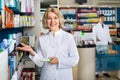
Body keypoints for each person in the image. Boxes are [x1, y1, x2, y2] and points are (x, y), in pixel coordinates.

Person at [16, 7, 79, 80]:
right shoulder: (42, 39)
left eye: (55, 18)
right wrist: (32, 52)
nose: (52, 21)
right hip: (47, 76)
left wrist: (59, 61)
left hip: (64, 76)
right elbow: (41, 62)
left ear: (59, 20)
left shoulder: (68, 37)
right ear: (46, 21)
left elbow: (75, 59)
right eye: (49, 18)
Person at [92, 14, 113, 78]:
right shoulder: (95, 27)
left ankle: (105, 72)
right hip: (99, 45)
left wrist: (110, 41)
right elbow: (93, 35)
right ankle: (96, 73)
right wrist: (96, 39)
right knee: (98, 59)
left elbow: (108, 35)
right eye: (101, 18)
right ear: (99, 19)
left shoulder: (106, 26)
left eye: (103, 18)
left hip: (105, 44)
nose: (102, 19)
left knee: (105, 59)